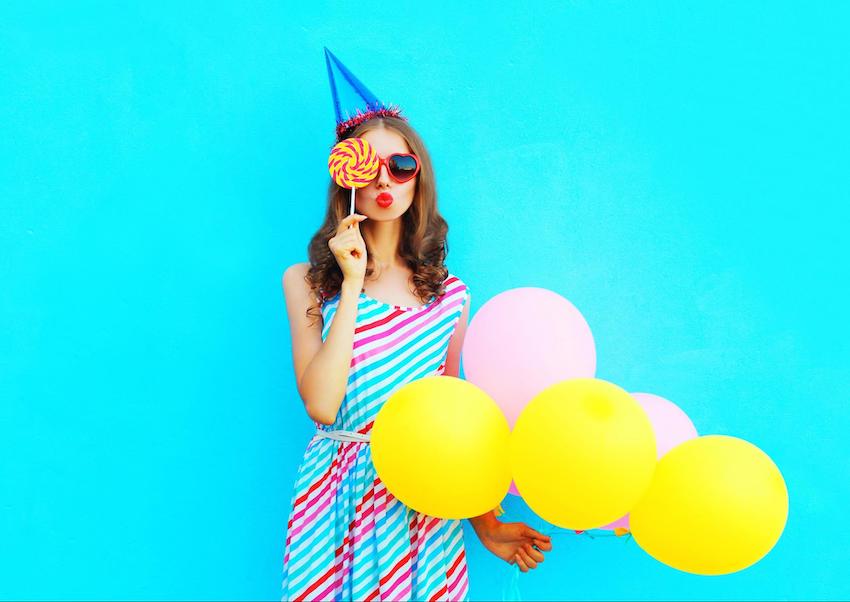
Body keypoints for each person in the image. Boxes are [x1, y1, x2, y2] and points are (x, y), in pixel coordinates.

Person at [279, 49, 553, 602]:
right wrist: (352, 283)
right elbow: (322, 406)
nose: (387, 181)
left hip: (423, 499)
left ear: (418, 177)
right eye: (370, 166)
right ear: (345, 177)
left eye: (401, 166)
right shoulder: (308, 281)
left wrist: (486, 524)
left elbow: (458, 424)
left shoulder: (451, 296)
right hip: (337, 497)